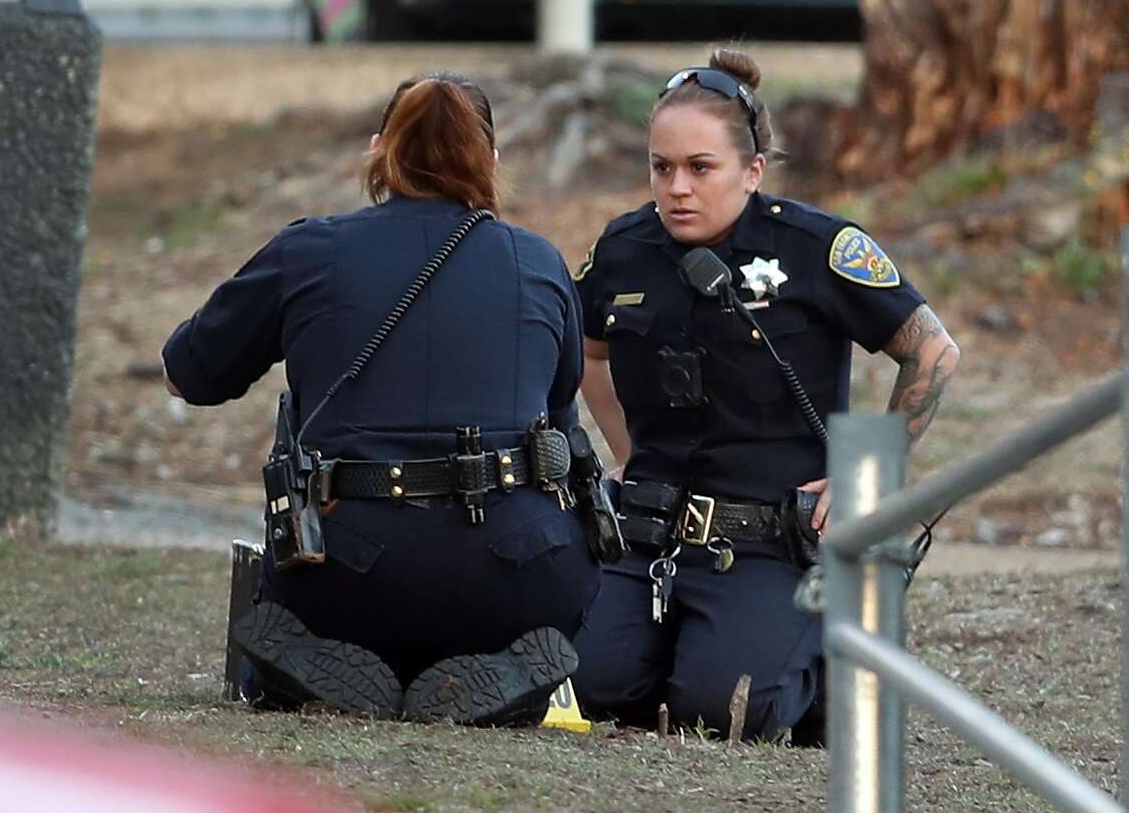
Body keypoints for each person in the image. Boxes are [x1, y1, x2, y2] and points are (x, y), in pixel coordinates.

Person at [162, 72, 600, 725]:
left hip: (344, 572)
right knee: (541, 548)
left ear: (378, 150)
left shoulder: (309, 250)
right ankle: (506, 674)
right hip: (516, 576)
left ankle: (305, 668)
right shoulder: (539, 262)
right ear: (490, 160)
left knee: (305, 606)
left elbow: (188, 376)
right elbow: (560, 418)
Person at [571, 48, 960, 742]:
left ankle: (832, 652)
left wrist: (867, 470)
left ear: (752, 170)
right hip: (651, 530)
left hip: (767, 540)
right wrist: (628, 450)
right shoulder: (625, 248)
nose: (677, 188)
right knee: (589, 686)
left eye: (701, 168)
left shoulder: (816, 247)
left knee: (727, 711)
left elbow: (932, 350)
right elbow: (587, 352)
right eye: (661, 167)